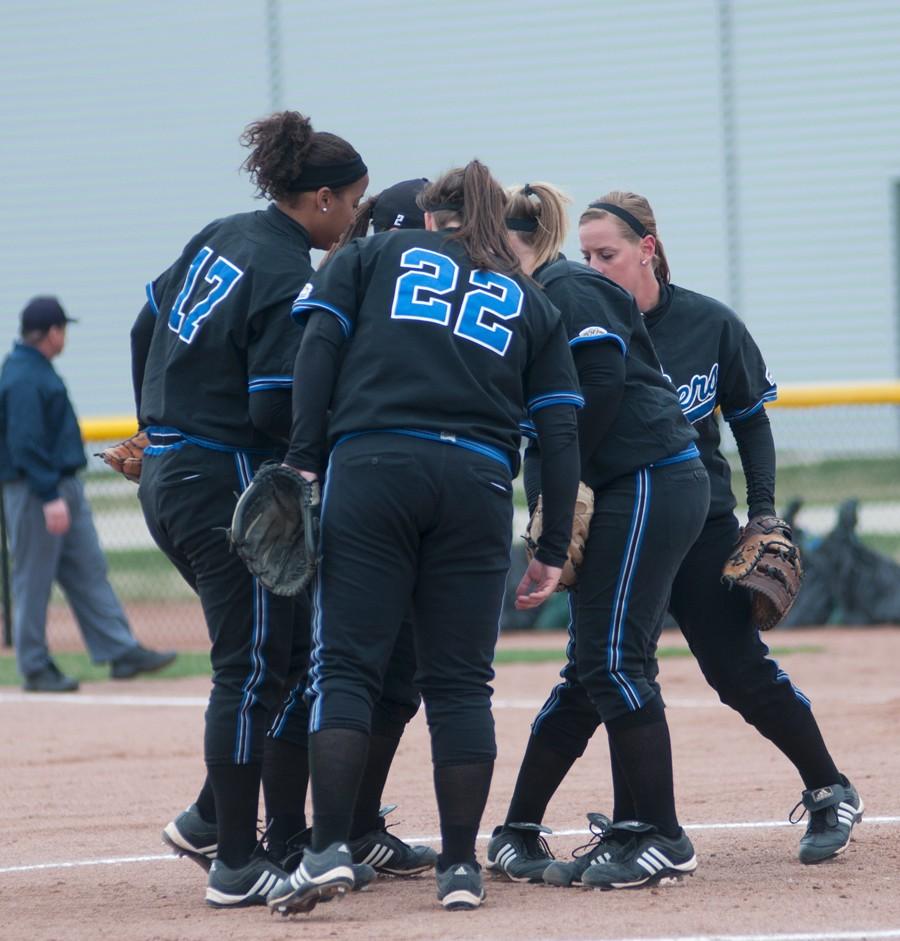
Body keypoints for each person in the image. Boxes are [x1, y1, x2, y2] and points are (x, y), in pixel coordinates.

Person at [265, 160, 582, 915]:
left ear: (430, 217)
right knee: (461, 682)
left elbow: (316, 352)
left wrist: (304, 461)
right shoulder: (530, 298)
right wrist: (550, 541)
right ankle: (462, 868)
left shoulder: (371, 255)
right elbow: (560, 429)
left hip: (375, 462)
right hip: (476, 481)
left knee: (345, 669)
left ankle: (326, 850)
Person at [578, 192, 863, 864]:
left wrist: (762, 511)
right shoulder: (583, 326)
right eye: (583, 255)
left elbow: (750, 419)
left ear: (648, 248)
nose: (591, 266)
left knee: (737, 671)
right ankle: (633, 825)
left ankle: (830, 788)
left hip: (697, 520)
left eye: (605, 253)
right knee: (611, 671)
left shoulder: (708, 323)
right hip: (623, 525)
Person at [131, 110, 369, 908]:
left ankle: (212, 818)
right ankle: (236, 860)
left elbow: (145, 322)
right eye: (355, 204)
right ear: (326, 198)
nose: (355, 222)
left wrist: (149, 419)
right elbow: (271, 406)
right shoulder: (286, 268)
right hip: (221, 470)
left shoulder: (222, 232)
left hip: (169, 465)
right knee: (256, 665)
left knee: (278, 654)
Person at [485, 183, 710, 891]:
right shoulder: (529, 293)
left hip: (652, 474)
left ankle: (660, 835)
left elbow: (603, 386)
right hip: (620, 481)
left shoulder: (567, 286)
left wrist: (562, 491)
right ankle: (518, 830)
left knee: (614, 660)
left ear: (507, 241)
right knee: (590, 667)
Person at [0, 298, 176, 693]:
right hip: (36, 491)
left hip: (61, 486)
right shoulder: (24, 376)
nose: (64, 336)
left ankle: (120, 650)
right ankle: (33, 665)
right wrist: (48, 496)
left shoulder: (33, 370)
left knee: (88, 569)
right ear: (51, 332)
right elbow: (25, 443)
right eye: (62, 328)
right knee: (33, 578)